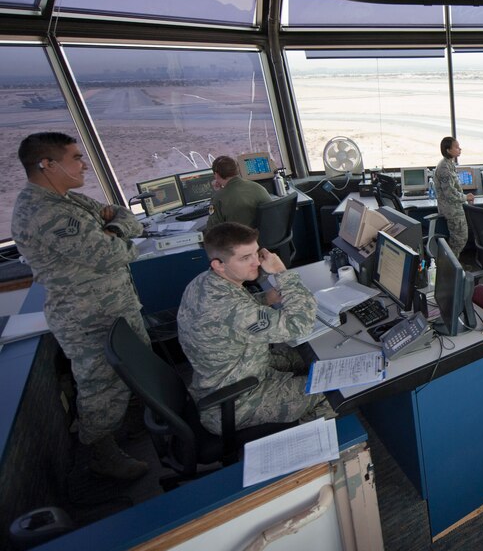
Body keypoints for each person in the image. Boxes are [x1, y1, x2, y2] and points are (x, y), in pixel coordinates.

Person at [11, 132, 149, 480]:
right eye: (75, 157)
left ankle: (126, 431)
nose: (83, 163)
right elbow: (113, 252)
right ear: (47, 164)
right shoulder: (44, 213)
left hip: (113, 308)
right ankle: (101, 454)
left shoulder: (68, 201)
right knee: (101, 388)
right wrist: (119, 238)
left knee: (131, 375)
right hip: (87, 319)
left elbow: (124, 217)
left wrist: (113, 228)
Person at [177, 222, 329, 434]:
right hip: (237, 400)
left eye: (256, 253)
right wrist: (282, 273)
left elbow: (232, 314)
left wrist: (265, 298)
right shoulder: (233, 309)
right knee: (331, 389)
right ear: (218, 265)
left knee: (310, 358)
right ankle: (310, 449)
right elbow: (300, 325)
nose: (256, 262)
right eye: (244, 258)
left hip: (231, 372)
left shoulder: (203, 282)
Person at [205, 154, 272, 229]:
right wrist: (221, 191)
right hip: (264, 237)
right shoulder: (258, 187)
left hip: (240, 239)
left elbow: (212, 230)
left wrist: (218, 193)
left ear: (216, 175)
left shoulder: (218, 198)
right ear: (237, 170)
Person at [435, 136, 475, 257]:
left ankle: (454, 266)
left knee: (459, 239)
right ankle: (450, 268)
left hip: (455, 207)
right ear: (448, 150)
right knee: (459, 239)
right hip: (451, 210)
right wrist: (466, 197)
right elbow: (450, 193)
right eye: (456, 147)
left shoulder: (449, 164)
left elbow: (454, 188)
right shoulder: (444, 168)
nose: (459, 149)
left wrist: (465, 197)